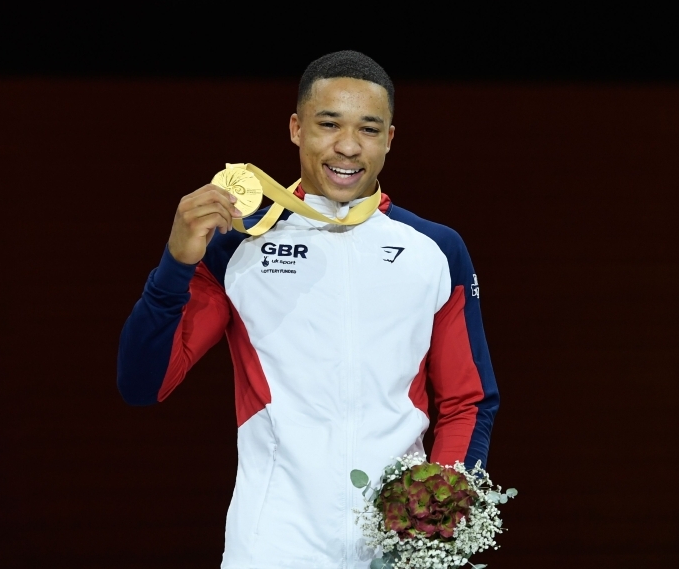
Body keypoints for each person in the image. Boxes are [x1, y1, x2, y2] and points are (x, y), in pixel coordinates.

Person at [117, 50, 499, 568]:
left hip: (391, 553)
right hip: (272, 547)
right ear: (296, 128)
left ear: (390, 138)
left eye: (368, 129)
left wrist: (438, 513)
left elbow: (467, 402)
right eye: (328, 124)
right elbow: (143, 384)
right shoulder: (238, 244)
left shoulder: (435, 248)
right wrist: (174, 266)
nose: (347, 146)